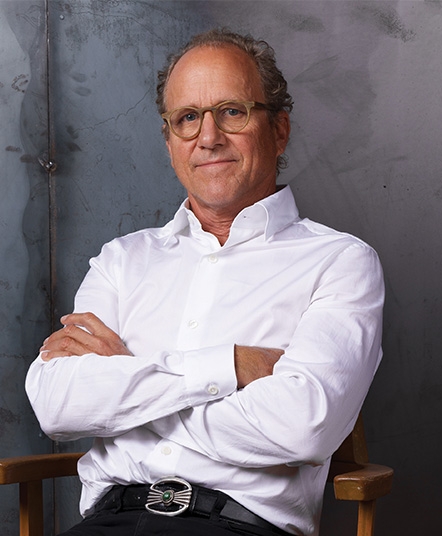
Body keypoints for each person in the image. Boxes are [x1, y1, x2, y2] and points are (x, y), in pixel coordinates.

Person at [26, 28, 384, 536]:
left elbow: (303, 426)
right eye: (187, 118)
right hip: (108, 522)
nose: (208, 137)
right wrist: (229, 366)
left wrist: (125, 383)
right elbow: (57, 404)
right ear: (170, 141)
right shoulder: (122, 260)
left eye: (232, 111)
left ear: (279, 130)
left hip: (238, 527)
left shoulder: (339, 262)